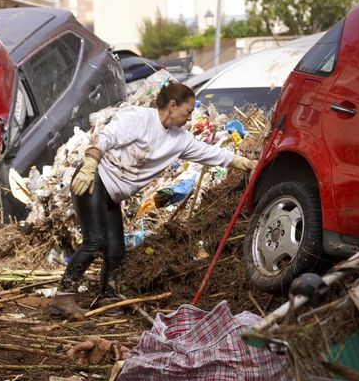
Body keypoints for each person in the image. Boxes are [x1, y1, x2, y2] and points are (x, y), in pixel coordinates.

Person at [59, 81, 256, 303]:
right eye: (188, 111)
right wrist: (90, 163)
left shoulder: (179, 139)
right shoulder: (139, 117)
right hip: (93, 179)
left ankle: (107, 295)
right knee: (95, 241)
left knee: (116, 251)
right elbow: (106, 137)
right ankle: (63, 298)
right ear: (173, 105)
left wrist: (243, 162)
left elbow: (210, 153)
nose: (190, 117)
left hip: (112, 195)